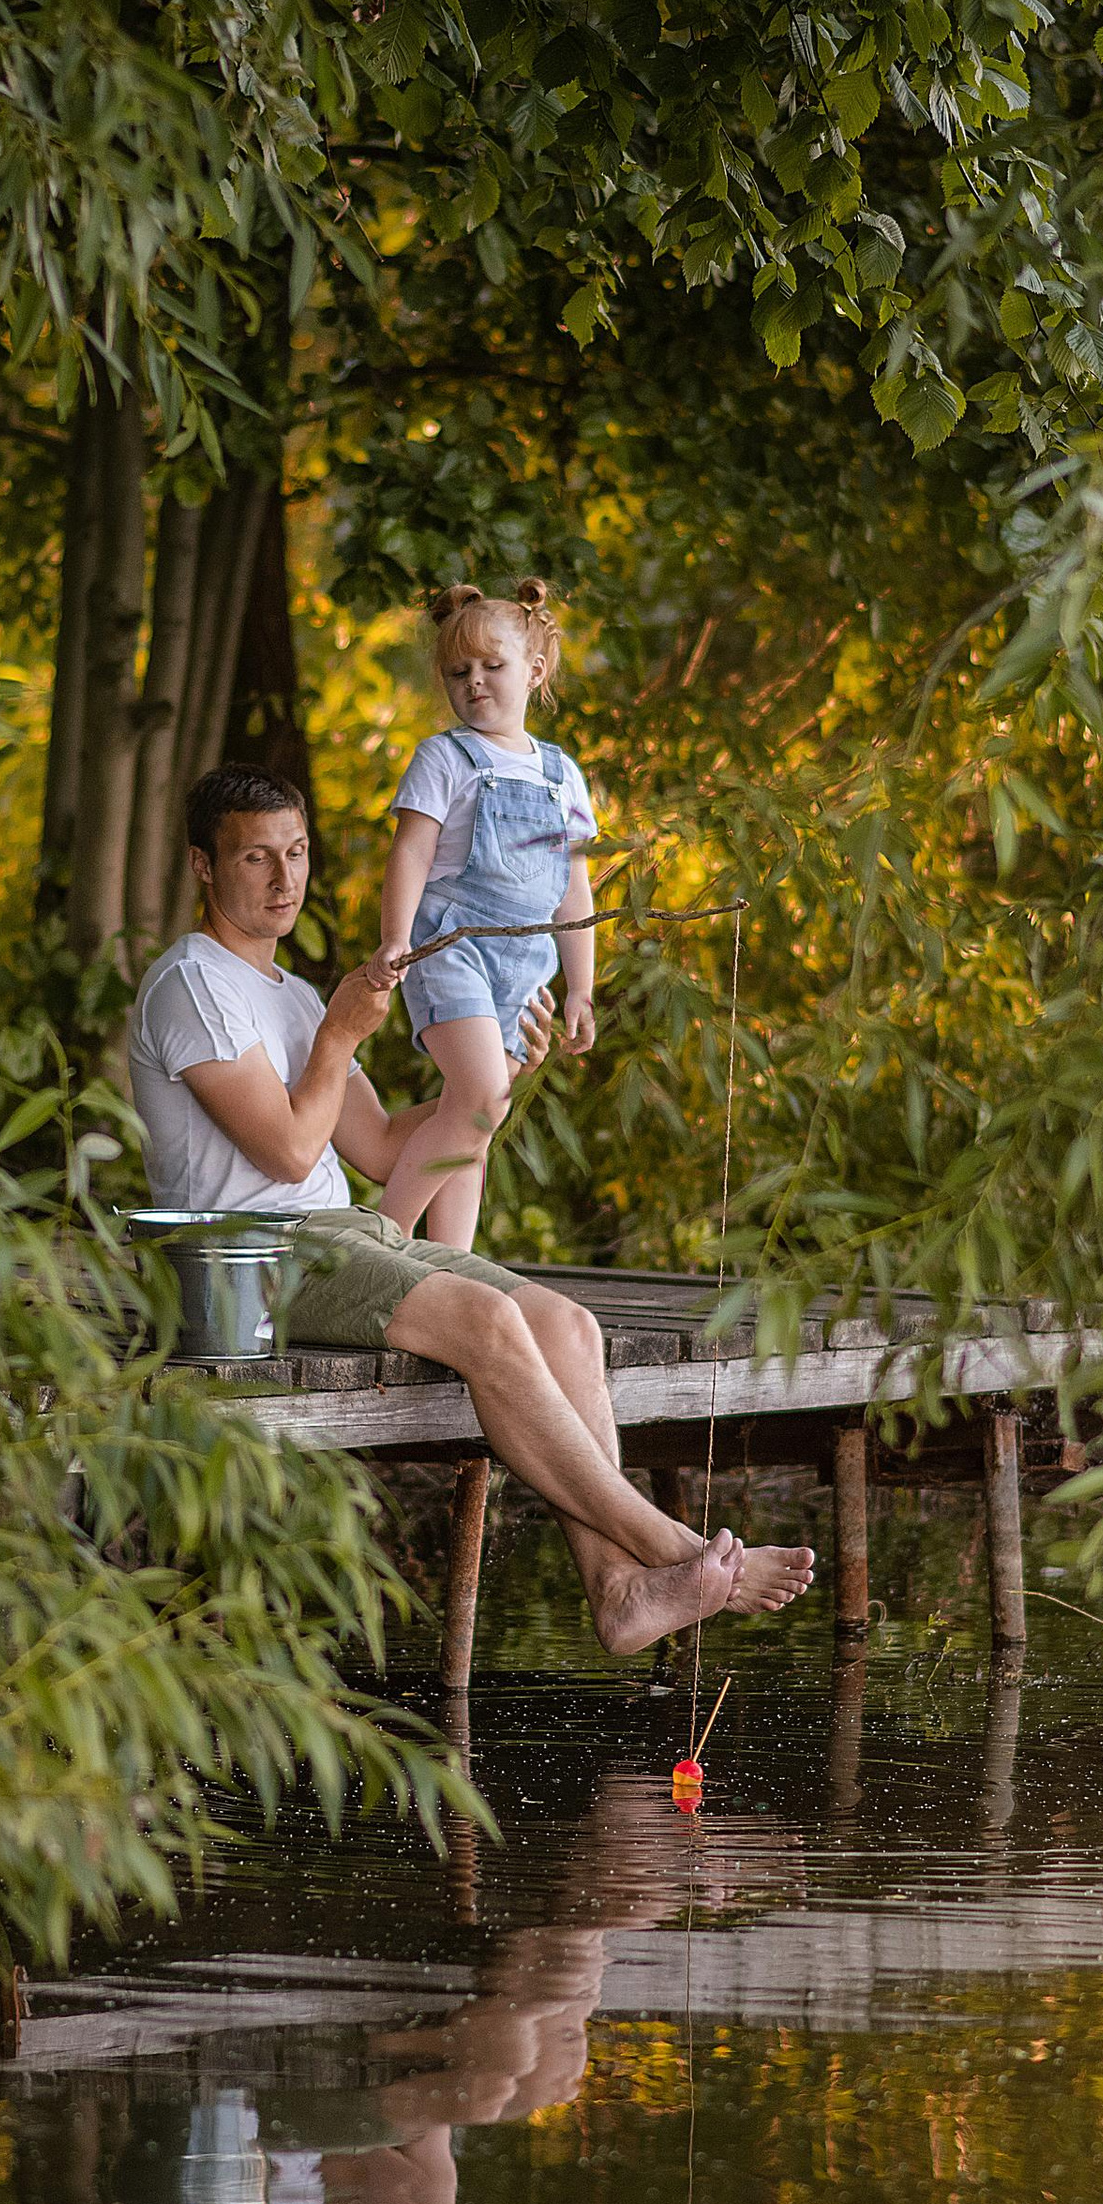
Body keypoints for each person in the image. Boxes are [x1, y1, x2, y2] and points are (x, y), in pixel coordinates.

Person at [125, 760, 813, 1656]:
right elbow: (290, 1151)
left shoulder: (292, 996)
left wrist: (496, 1081)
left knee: (569, 1327)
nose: (285, 878)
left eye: (296, 853)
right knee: (486, 1319)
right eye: (256, 858)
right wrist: (339, 1034)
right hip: (248, 1259)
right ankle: (668, 1545)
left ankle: (618, 1592)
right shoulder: (192, 984)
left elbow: (375, 1147)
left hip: (338, 1236)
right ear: (203, 868)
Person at [372, 580, 594, 1251]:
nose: (474, 683)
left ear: (534, 669)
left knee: (472, 1117)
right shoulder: (446, 758)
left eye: (491, 667)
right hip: (451, 948)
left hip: (525, 963)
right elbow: (409, 854)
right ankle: (385, 1235)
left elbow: (574, 888)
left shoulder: (564, 775)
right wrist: (393, 939)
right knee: (480, 1099)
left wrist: (582, 987)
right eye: (457, 672)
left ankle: (450, 1263)